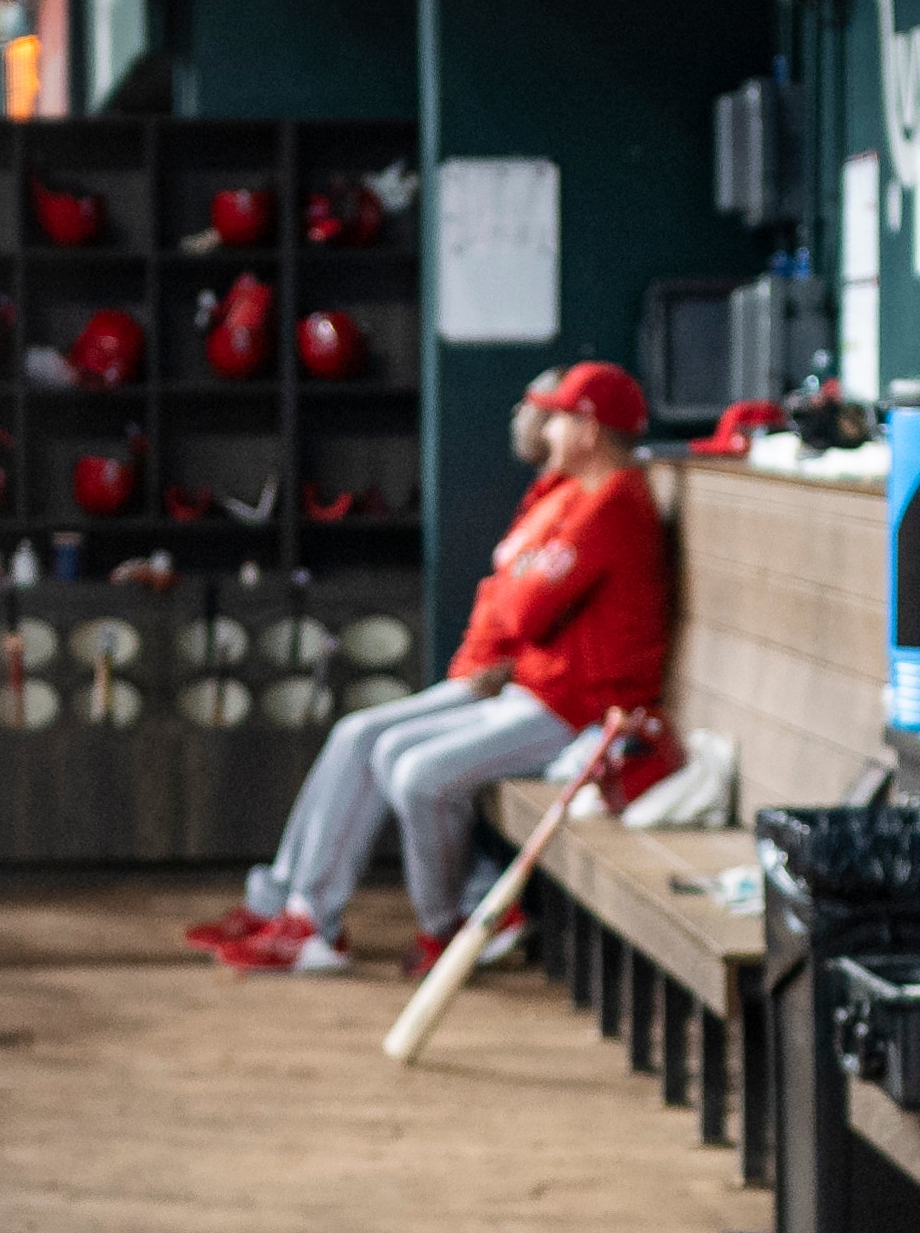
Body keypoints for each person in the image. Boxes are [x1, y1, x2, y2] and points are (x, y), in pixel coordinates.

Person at [195, 359, 669, 979]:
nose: (544, 429)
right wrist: (516, 589)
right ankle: (323, 916)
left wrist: (515, 589)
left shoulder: (613, 503)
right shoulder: (580, 495)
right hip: (539, 689)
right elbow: (513, 593)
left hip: (584, 711)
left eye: (557, 419)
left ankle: (451, 923)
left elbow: (519, 608)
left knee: (414, 771)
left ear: (589, 429)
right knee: (375, 743)